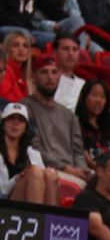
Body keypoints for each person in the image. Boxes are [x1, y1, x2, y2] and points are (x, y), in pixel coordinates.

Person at [22, 55, 90, 184]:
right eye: (44, 72)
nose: (50, 77)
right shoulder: (25, 107)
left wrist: (82, 170)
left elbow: (78, 152)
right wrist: (65, 168)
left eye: (54, 72)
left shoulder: (69, 115)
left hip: (73, 172)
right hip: (44, 172)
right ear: (34, 77)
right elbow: (34, 148)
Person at [0, 103, 59, 205]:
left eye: (20, 120)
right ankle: (38, 217)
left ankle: (51, 218)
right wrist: (17, 179)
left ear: (25, 127)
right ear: (3, 124)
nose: (15, 123)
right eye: (11, 118)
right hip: (5, 205)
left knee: (51, 173)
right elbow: (2, 192)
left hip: (27, 198)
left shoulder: (32, 153)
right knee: (35, 171)